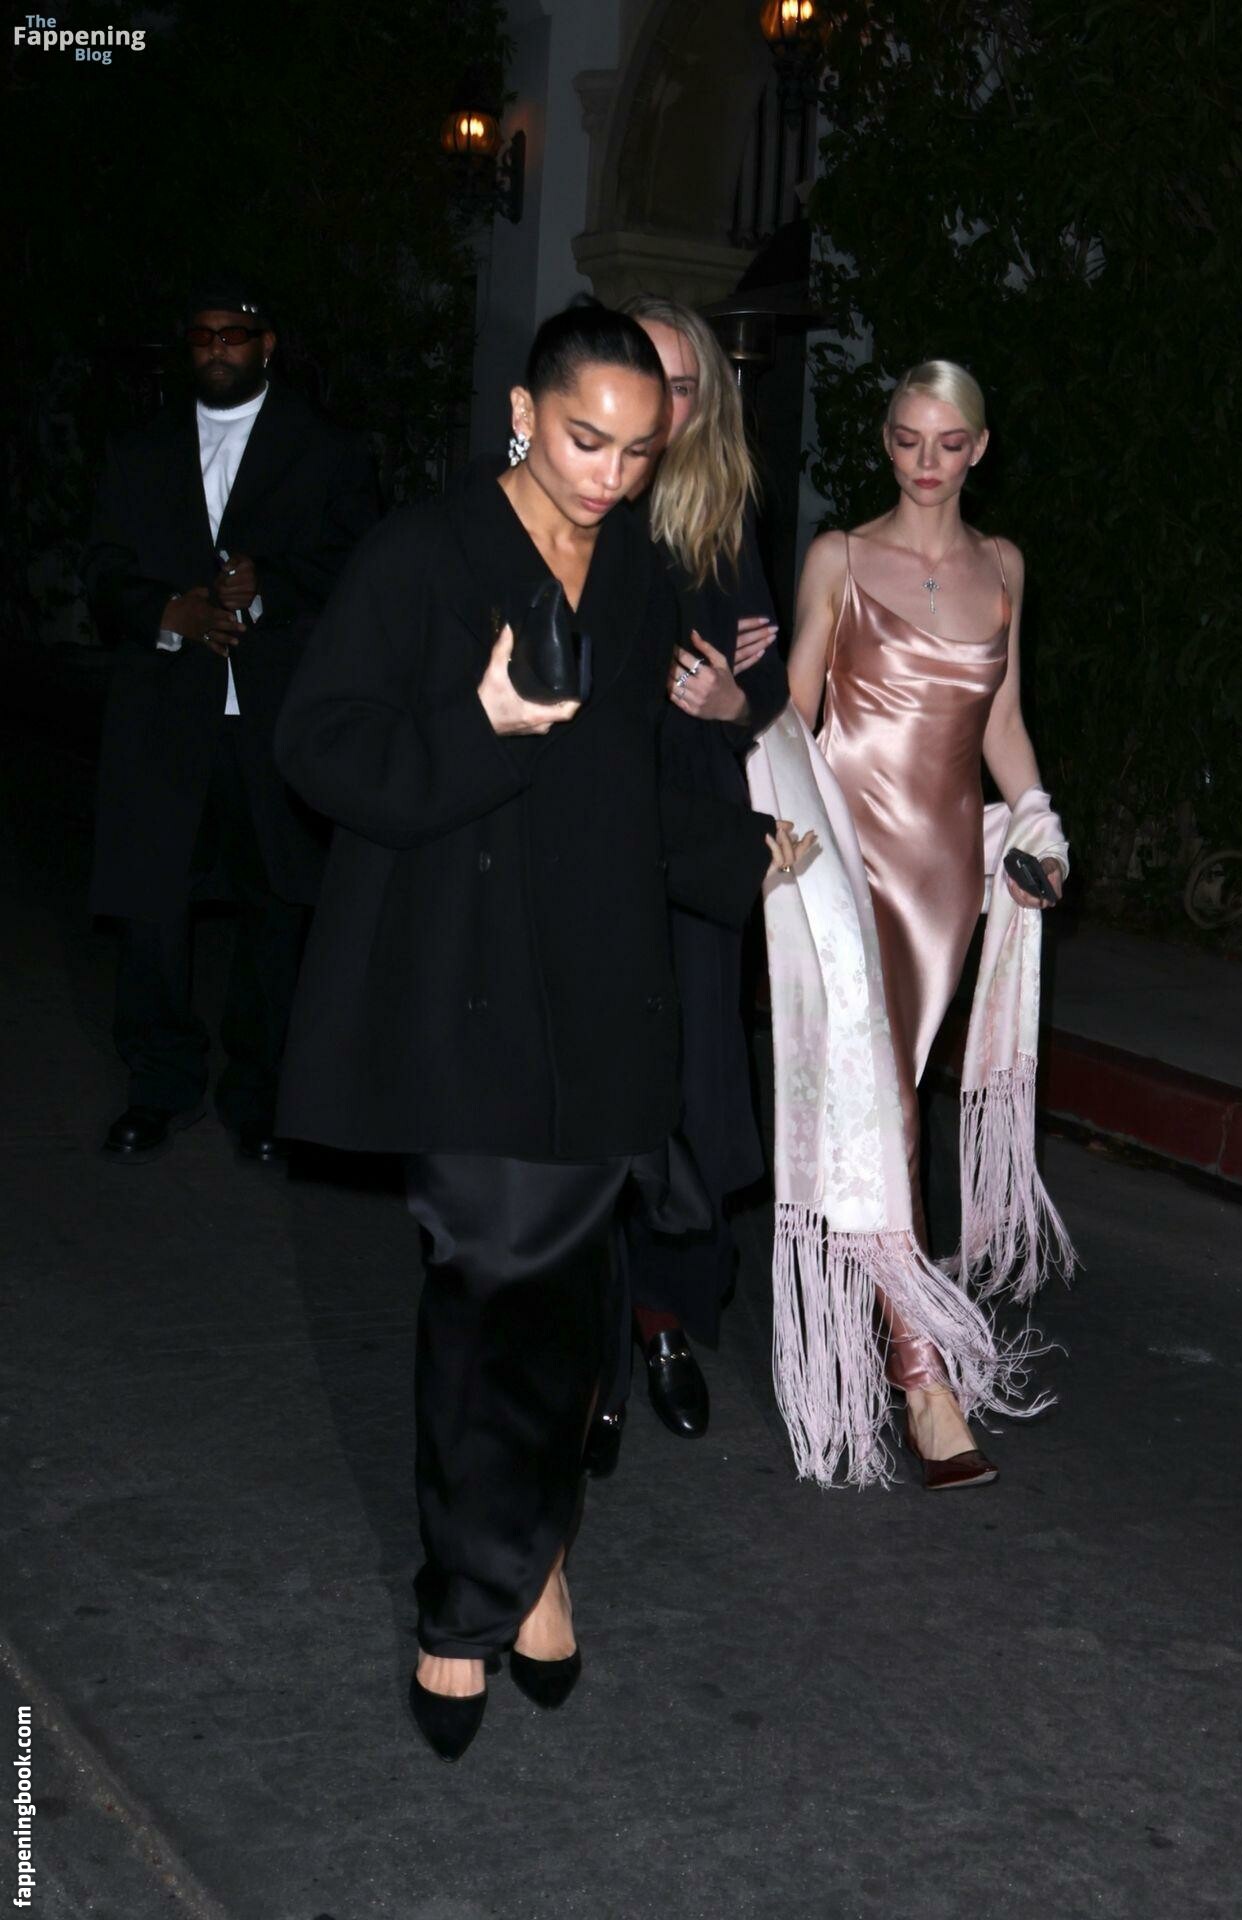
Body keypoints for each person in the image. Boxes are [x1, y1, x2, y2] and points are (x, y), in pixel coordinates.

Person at [272, 305, 811, 1761]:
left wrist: (737, 856)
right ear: (523, 412)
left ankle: (536, 1546)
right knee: (487, 1280)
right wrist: (482, 729)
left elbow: (643, 771)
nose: (609, 477)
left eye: (637, 454)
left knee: (567, 1300)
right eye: (585, 441)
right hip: (460, 979)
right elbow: (317, 744)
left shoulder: (638, 567)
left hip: (601, 980)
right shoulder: (423, 555)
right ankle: (466, 1607)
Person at [784, 358, 1068, 1490]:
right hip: (848, 862)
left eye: (948, 444)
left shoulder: (1003, 567)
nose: (924, 463)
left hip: (945, 876)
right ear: (885, 440)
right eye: (906, 440)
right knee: (886, 1103)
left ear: (978, 448)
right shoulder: (840, 558)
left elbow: (1000, 721)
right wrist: (779, 843)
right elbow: (796, 712)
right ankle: (921, 1380)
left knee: (895, 1088)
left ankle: (877, 1310)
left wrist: (1039, 824)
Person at [85, 281, 380, 1164]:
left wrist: (270, 587)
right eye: (204, 335)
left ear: (267, 344)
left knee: (276, 911)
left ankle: (261, 1095)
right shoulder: (139, 449)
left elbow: (362, 567)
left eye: (235, 334)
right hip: (162, 719)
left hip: (275, 720)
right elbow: (102, 569)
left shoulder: (327, 449)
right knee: (152, 910)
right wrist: (167, 611)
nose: (217, 347)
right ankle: (158, 1085)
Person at [583, 294, 788, 1468]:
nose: (660, 406)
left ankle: (660, 1323)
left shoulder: (721, 509)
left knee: (689, 1080)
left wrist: (732, 700)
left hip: (694, 824)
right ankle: (591, 1353)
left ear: (705, 397)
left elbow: (765, 670)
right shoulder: (575, 494)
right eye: (641, 376)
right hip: (589, 815)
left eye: (680, 384)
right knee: (592, 1083)